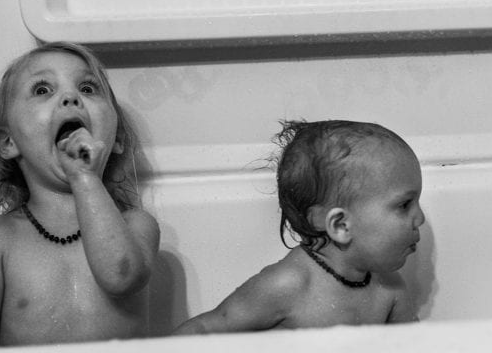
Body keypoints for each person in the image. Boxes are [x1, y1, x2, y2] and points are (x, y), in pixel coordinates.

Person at [0, 42, 160, 348]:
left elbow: (120, 276)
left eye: (87, 87)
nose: (71, 97)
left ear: (117, 140)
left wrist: (84, 177)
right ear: (8, 141)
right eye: (42, 89)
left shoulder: (136, 225)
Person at [173, 119, 424, 334]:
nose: (420, 218)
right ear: (340, 225)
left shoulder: (389, 288)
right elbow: (205, 331)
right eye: (405, 205)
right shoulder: (287, 285)